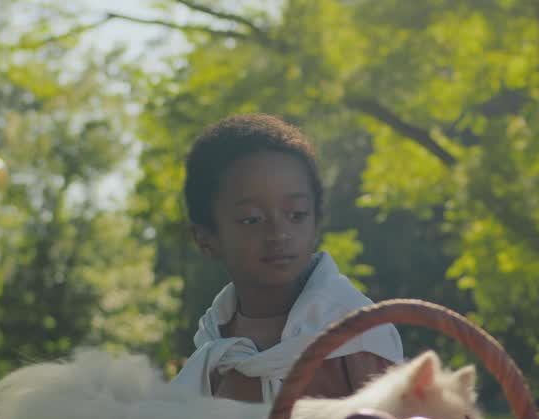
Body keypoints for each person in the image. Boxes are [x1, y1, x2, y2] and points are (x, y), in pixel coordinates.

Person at [170, 113, 403, 401]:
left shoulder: (354, 332)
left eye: (297, 215)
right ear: (206, 239)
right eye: (251, 219)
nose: (279, 233)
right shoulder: (214, 342)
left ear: (316, 222)